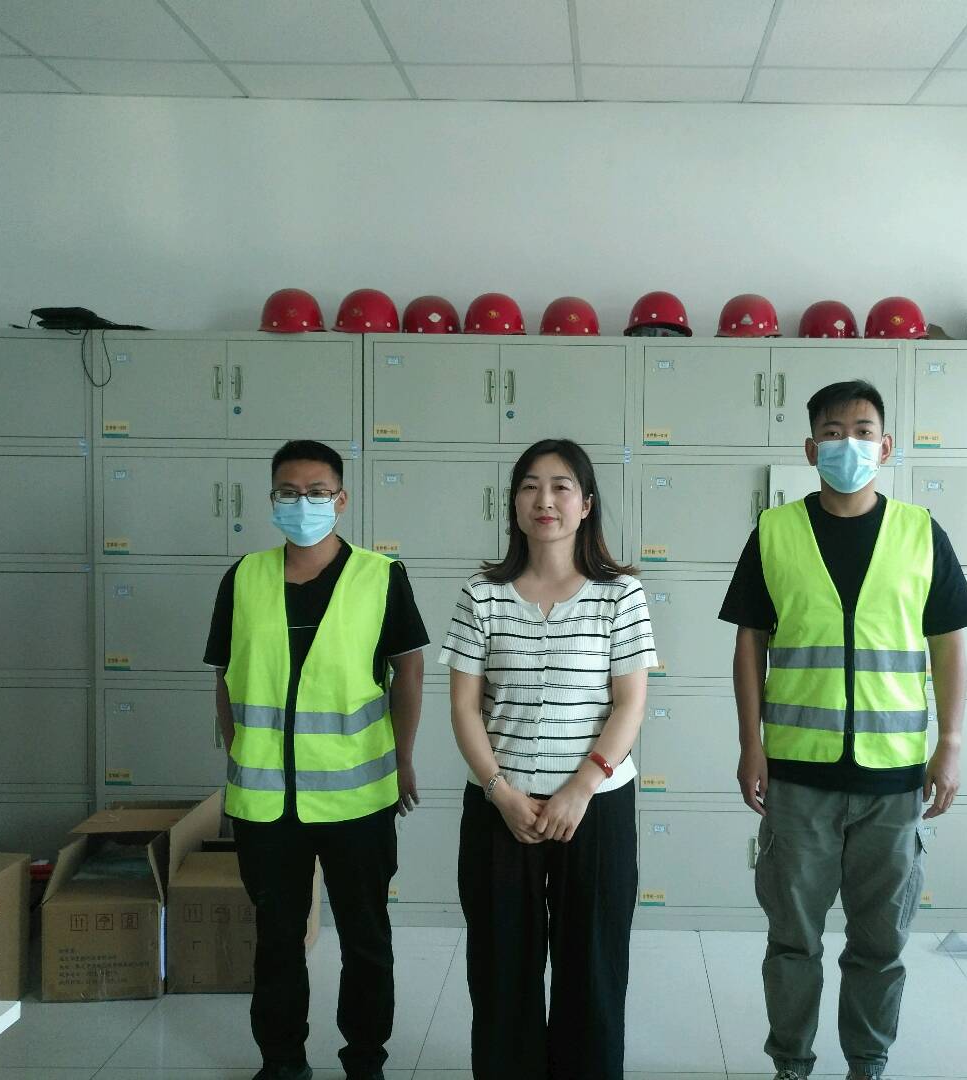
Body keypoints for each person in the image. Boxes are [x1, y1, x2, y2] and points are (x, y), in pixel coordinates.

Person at [720, 381, 967, 1080]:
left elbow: (948, 644)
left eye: (863, 431)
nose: (849, 444)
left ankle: (868, 1062)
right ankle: (792, 1063)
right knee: (793, 941)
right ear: (811, 450)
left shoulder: (921, 533)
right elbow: (750, 644)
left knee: (880, 943)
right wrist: (750, 744)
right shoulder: (775, 532)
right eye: (833, 433)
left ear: (885, 447)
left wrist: (950, 745)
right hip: (798, 776)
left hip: (893, 780)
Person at [205, 439, 427, 1080]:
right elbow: (225, 676)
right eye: (288, 492)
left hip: (358, 797)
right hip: (266, 801)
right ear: (272, 498)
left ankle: (365, 1060)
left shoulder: (381, 576)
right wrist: (239, 752)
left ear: (341, 499)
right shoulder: (244, 577)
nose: (302, 503)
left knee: (365, 936)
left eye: (316, 492)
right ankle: (282, 1061)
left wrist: (403, 759)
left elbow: (409, 671)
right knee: (276, 939)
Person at [440, 438, 657, 1080]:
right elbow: (464, 708)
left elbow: (629, 705)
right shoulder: (481, 594)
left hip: (596, 807)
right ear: (513, 503)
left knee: (592, 965)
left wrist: (580, 789)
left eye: (562, 486)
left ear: (586, 504)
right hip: (501, 809)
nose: (545, 499)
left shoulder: (621, 595)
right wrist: (500, 791)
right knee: (501, 964)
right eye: (530, 486)